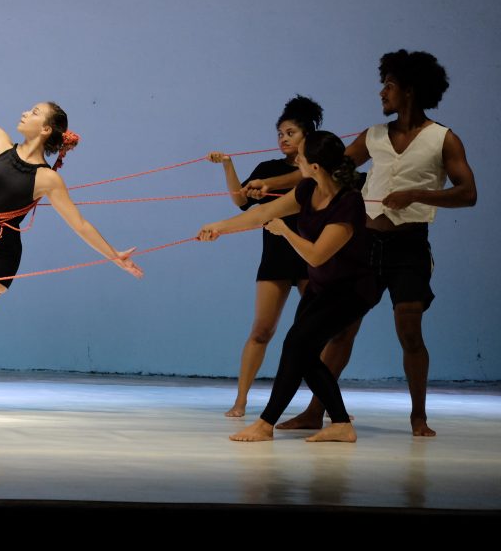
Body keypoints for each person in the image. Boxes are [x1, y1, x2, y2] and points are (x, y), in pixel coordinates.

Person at [245, 51, 477, 436]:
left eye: (389, 85)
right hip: (367, 245)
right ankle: (316, 412)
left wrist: (417, 194)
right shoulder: (375, 135)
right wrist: (271, 184)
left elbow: (468, 193)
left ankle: (418, 417)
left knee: (409, 330)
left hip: (409, 247)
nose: (382, 91)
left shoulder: (443, 139)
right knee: (341, 330)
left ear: (410, 90)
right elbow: (324, 171)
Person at [0, 35, 143, 416]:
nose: (25, 112)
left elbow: (80, 223)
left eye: (34, 111)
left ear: (46, 130)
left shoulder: (48, 179)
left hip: (1, 254)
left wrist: (114, 256)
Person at [199, 131, 378, 442]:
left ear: (317, 166)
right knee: (301, 349)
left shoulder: (348, 203)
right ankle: (339, 423)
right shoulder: (307, 188)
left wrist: (284, 231)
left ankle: (267, 424)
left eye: (302, 156)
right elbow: (263, 213)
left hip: (353, 291)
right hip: (325, 287)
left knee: (297, 346)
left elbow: (317, 254)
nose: (296, 160)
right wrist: (219, 228)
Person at [207, 96, 322, 417]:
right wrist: (228, 164)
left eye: (290, 133)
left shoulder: (316, 170)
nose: (283, 138)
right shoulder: (267, 168)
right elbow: (240, 202)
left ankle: (324, 403)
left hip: (312, 255)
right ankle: (240, 401)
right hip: (276, 257)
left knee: (316, 333)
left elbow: (310, 182)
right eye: (280, 133)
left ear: (307, 137)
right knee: (261, 331)